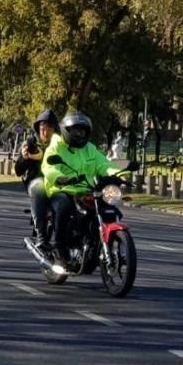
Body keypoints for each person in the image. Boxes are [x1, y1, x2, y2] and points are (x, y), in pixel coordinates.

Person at [40, 111, 138, 270]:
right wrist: (59, 177)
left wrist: (119, 174)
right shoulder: (57, 145)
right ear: (66, 130)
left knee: (106, 207)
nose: (80, 134)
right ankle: (60, 247)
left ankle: (94, 243)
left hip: (86, 190)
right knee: (64, 206)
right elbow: (49, 167)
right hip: (62, 189)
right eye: (76, 130)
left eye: (83, 131)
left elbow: (103, 165)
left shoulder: (90, 149)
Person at [16, 109, 58, 243]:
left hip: (59, 181)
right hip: (37, 180)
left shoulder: (60, 144)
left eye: (49, 129)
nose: (45, 133)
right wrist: (24, 158)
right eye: (42, 129)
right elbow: (18, 170)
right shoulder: (31, 143)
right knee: (39, 188)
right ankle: (41, 236)